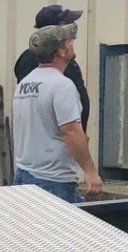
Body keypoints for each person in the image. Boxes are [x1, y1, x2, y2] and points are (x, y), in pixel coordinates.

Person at [11, 23, 104, 203]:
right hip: (52, 181)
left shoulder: (25, 84)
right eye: (68, 41)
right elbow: (71, 131)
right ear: (61, 51)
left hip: (25, 174)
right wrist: (91, 172)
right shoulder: (62, 85)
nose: (72, 43)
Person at [13, 3, 90, 130]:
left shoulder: (67, 61)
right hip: (55, 142)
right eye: (69, 26)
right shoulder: (32, 61)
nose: (73, 35)